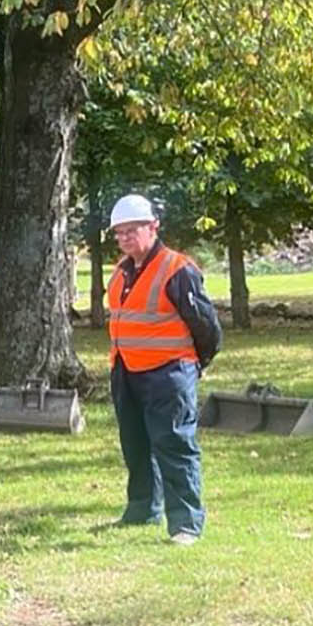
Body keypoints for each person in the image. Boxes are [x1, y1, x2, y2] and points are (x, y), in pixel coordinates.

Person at [105, 194, 221, 545]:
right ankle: (142, 509)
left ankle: (186, 524)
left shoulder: (177, 269)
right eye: (119, 232)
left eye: (132, 230)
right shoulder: (122, 271)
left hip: (168, 372)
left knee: (174, 445)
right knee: (136, 444)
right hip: (127, 371)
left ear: (153, 227)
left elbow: (206, 326)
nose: (125, 238)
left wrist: (193, 365)